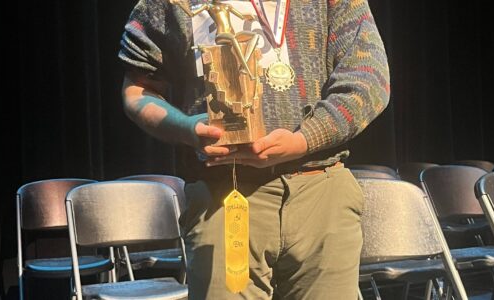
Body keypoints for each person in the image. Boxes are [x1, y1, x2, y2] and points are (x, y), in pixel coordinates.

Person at [119, 0, 390, 299]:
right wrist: (185, 127)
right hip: (222, 197)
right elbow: (137, 91)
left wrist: (304, 139)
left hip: (320, 190)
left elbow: (368, 80)